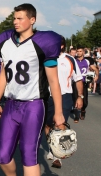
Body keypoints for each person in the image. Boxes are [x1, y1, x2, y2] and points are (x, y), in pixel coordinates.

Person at [0, 3, 65, 176]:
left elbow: (54, 81)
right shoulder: (5, 41)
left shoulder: (43, 43)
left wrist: (59, 112)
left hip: (34, 105)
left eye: (20, 18)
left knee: (29, 155)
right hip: (11, 104)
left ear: (32, 20)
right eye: (14, 18)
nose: (15, 22)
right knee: (2, 155)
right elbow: (5, 73)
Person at [44, 36, 83, 168]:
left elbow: (78, 79)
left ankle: (57, 157)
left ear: (61, 46)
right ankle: (51, 148)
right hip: (47, 97)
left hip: (65, 95)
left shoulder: (69, 59)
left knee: (60, 124)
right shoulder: (45, 58)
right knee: (48, 125)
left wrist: (80, 96)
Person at [73, 47, 99, 121]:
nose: (78, 53)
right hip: (76, 82)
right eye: (77, 51)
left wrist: (96, 76)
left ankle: (83, 110)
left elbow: (95, 69)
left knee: (85, 101)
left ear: (83, 52)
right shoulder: (74, 60)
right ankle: (76, 115)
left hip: (84, 82)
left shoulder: (87, 61)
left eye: (80, 51)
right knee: (75, 98)